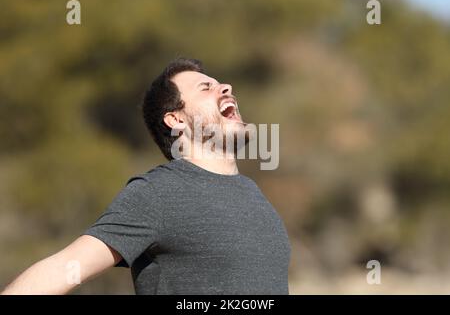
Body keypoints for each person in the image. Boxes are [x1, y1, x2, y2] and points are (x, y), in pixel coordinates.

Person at [1, 58, 291, 295]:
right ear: (175, 119)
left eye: (222, 85)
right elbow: (65, 267)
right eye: (206, 88)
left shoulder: (253, 192)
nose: (226, 87)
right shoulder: (157, 192)